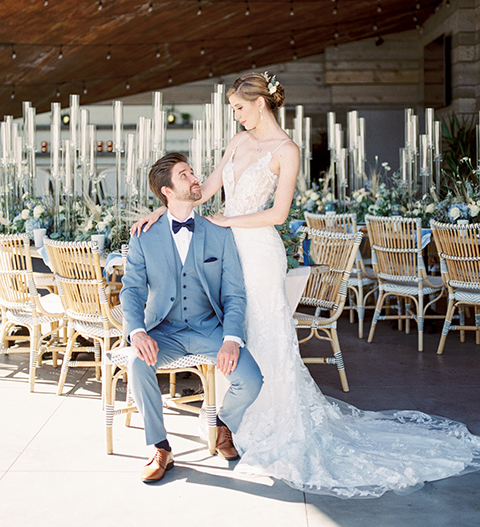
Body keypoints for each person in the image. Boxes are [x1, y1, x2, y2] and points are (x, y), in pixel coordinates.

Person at [132, 72, 480, 498]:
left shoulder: (287, 150)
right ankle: (233, 422)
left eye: (239, 108)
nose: (236, 117)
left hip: (257, 249)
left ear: (261, 104)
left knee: (263, 335)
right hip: (224, 246)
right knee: (231, 331)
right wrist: (159, 213)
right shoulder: (238, 144)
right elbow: (200, 192)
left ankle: (261, 424)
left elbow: (279, 215)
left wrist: (227, 221)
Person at [120, 152, 263, 483]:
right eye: (185, 175)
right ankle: (160, 447)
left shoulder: (219, 232)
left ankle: (223, 424)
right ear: (167, 190)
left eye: (193, 172)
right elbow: (132, 291)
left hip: (208, 328)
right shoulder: (144, 236)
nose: (195, 178)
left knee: (252, 379)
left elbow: (234, 294)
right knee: (137, 364)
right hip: (164, 330)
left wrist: (231, 338)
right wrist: (138, 332)